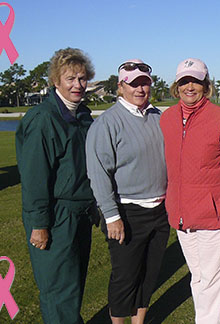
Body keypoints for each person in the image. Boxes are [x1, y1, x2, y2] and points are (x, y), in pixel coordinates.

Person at [16, 47, 97, 324]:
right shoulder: (43, 119)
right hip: (55, 215)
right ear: (56, 81)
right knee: (58, 290)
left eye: (82, 78)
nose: (78, 85)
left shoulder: (83, 117)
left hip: (81, 214)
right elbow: (34, 178)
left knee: (73, 286)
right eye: (70, 78)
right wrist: (39, 224)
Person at [85, 59, 169, 324]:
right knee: (125, 277)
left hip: (160, 210)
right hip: (127, 212)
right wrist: (111, 216)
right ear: (121, 87)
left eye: (144, 83)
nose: (140, 89)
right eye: (133, 84)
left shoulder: (158, 117)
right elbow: (99, 173)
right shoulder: (107, 123)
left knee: (149, 274)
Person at [160, 58, 220, 324]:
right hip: (181, 215)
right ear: (176, 85)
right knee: (201, 278)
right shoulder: (166, 118)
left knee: (212, 282)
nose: (189, 86)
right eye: (184, 81)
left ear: (206, 85)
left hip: (214, 215)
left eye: (196, 81)